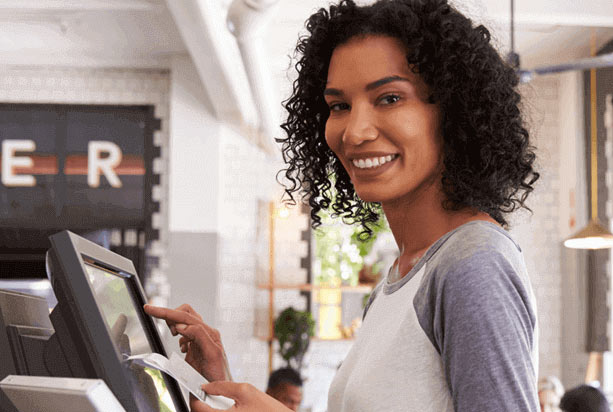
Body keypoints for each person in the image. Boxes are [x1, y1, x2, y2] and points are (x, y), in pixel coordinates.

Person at [144, 0, 540, 410]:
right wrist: (220, 387)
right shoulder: (399, 278)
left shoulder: (473, 263)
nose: (354, 131)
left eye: (389, 98)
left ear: (453, 111)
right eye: (339, 106)